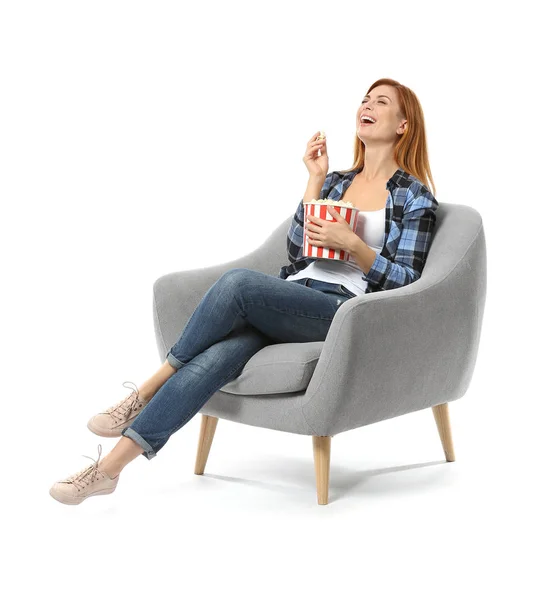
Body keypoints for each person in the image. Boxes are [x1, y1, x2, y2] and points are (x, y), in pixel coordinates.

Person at [49, 78, 439, 505]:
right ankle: (107, 471)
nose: (367, 105)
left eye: (380, 102)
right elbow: (295, 250)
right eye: (365, 99)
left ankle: (146, 390)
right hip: (294, 296)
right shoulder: (337, 183)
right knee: (212, 359)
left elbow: (406, 282)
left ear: (403, 124)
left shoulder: (414, 196)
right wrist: (315, 179)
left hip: (343, 312)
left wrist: (355, 246)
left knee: (238, 283)